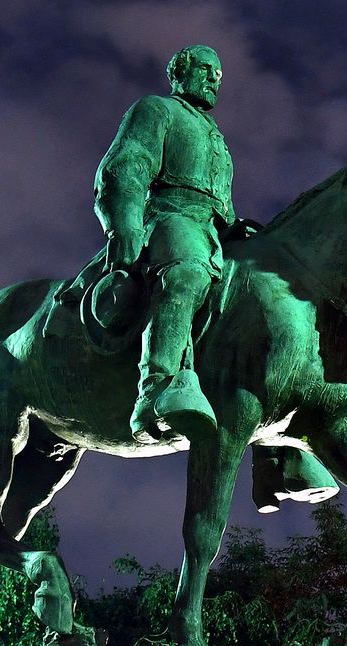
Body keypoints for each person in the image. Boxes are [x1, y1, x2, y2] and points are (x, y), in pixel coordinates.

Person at [96, 44, 249, 442]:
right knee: (186, 273)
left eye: (220, 72)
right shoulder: (157, 109)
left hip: (215, 230)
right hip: (168, 217)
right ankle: (157, 391)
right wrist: (124, 224)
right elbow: (126, 165)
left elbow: (223, 204)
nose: (216, 77)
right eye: (206, 68)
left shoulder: (216, 136)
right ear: (179, 71)